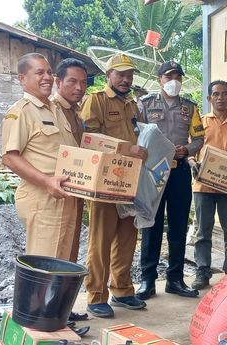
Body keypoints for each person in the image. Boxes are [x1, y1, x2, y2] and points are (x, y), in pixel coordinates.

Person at [80, 54, 148, 318]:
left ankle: (122, 290)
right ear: (109, 75)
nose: (126, 79)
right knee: (100, 239)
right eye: (120, 74)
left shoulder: (133, 104)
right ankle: (96, 295)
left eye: (129, 75)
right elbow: (89, 140)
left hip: (130, 181)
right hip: (104, 180)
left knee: (127, 237)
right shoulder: (95, 101)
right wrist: (127, 150)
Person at [136, 61, 205, 300]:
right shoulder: (144, 105)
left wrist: (186, 150)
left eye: (178, 76)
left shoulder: (190, 108)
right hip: (152, 171)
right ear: (159, 80)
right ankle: (147, 280)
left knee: (177, 225)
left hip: (179, 171)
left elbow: (199, 138)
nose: (174, 80)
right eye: (169, 76)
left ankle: (175, 279)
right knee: (150, 223)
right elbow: (137, 133)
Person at [1, 53, 78, 261]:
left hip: (64, 197)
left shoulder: (55, 109)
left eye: (49, 72)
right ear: (22, 78)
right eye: (39, 72)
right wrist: (47, 181)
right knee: (45, 267)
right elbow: (9, 157)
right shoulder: (21, 112)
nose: (47, 77)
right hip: (43, 199)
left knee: (63, 265)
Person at [191, 80, 227, 290]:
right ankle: (202, 271)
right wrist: (192, 163)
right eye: (215, 94)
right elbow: (192, 150)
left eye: (224, 94)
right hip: (203, 188)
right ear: (209, 98)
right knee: (203, 232)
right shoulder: (200, 121)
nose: (220, 98)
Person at [51, 58, 88, 264]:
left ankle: (65, 297)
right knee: (54, 253)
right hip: (55, 191)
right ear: (58, 82)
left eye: (83, 83)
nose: (79, 87)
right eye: (72, 81)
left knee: (70, 250)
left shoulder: (76, 113)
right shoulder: (51, 110)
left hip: (75, 189)